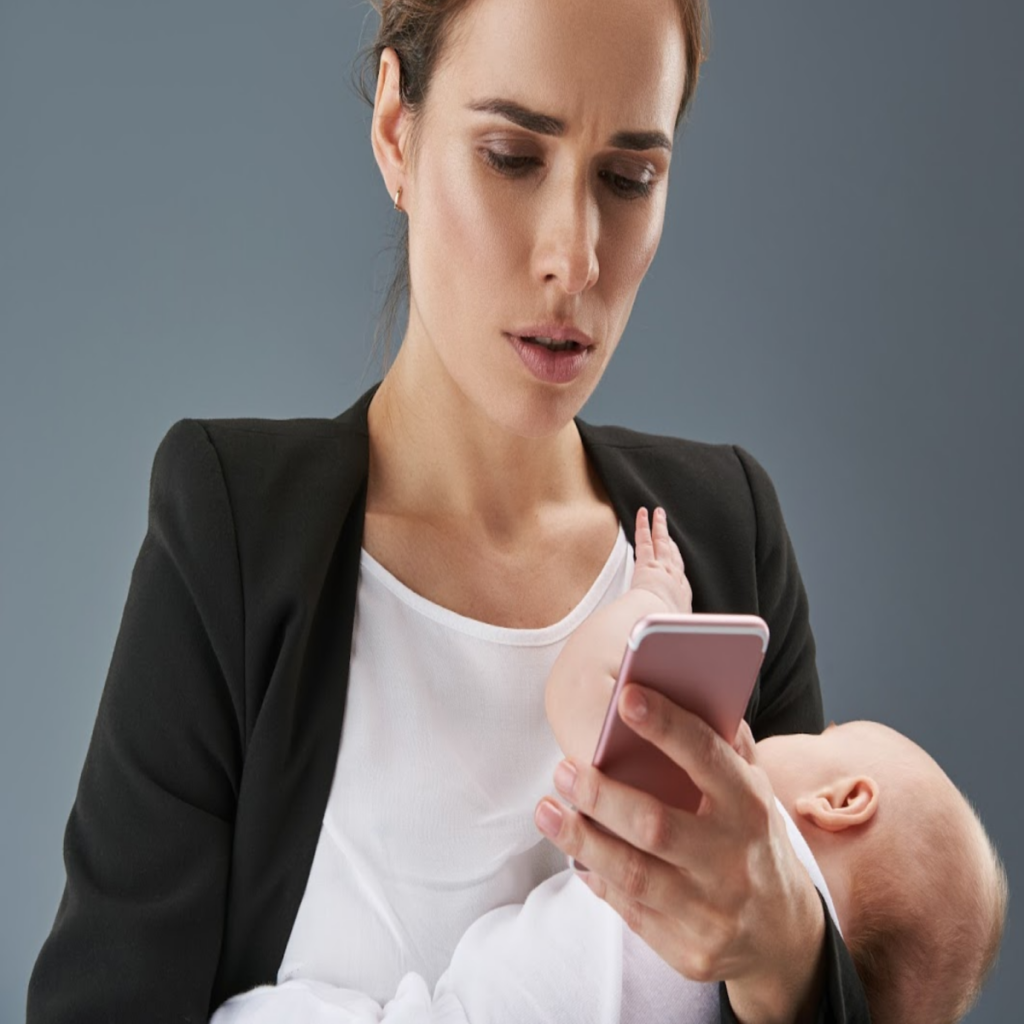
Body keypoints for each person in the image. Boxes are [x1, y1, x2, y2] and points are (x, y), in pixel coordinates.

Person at [27, 0, 874, 1021]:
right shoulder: (236, 527)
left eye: (628, 176)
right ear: (396, 129)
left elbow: (855, 957)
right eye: (512, 156)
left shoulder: (724, 536)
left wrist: (788, 952)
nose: (575, 258)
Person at [205, 506, 1007, 1024]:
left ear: (842, 800)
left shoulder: (722, 828)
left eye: (832, 731)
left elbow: (588, 699)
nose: (790, 730)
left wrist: (652, 601)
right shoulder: (760, 997)